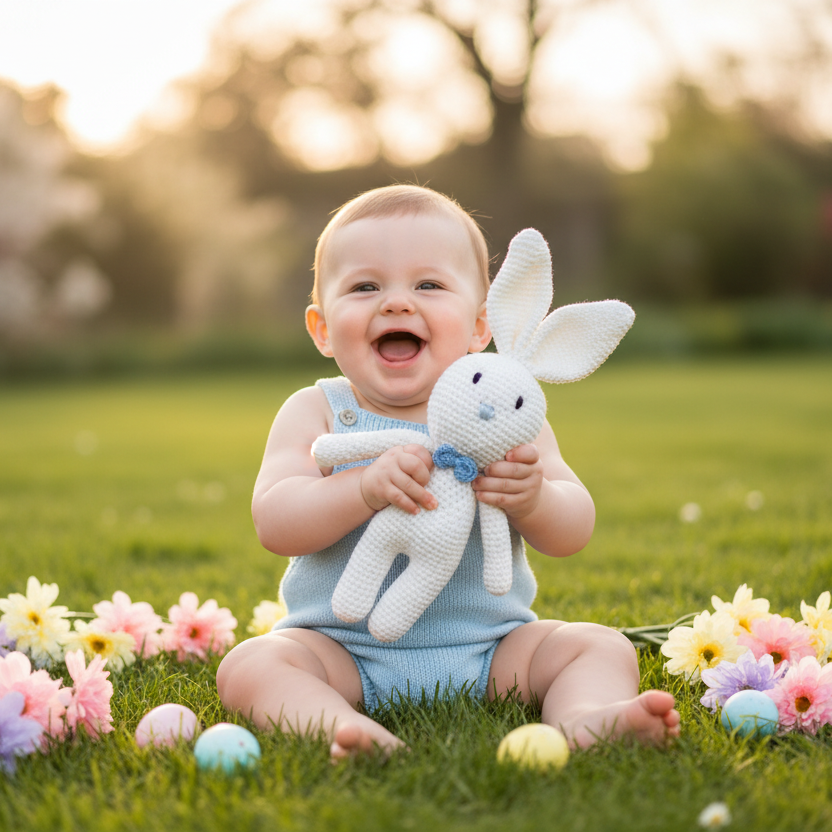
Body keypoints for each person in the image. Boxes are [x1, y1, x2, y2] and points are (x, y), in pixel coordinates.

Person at [217, 185, 680, 760]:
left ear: (480, 326)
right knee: (253, 663)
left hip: (491, 651)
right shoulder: (318, 411)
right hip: (341, 652)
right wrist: (361, 487)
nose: (396, 303)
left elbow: (574, 530)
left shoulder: (510, 414)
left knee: (598, 645)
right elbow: (275, 521)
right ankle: (340, 727)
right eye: (365, 287)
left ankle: (586, 719)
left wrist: (533, 498)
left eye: (429, 285)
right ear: (322, 328)